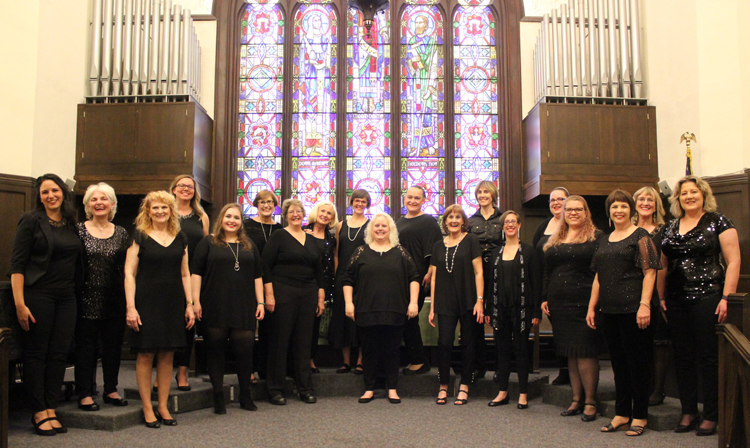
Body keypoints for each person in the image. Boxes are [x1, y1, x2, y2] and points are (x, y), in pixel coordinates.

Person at [660, 175, 740, 436]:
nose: (689, 197)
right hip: (675, 299)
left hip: (709, 297)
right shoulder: (670, 227)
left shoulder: (718, 221)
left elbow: (733, 261)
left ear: (703, 194)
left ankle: (712, 414)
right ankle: (688, 411)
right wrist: (660, 297)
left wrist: (727, 297)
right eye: (684, 193)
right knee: (682, 357)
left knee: (708, 357)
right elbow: (661, 265)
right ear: (678, 199)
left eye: (694, 192)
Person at [10, 174, 83, 436]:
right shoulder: (31, 221)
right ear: (39, 196)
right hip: (38, 295)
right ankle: (38, 410)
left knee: (59, 353)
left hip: (66, 297)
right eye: (44, 192)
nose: (50, 195)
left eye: (54, 190)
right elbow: (17, 265)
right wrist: (20, 304)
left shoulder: (71, 223)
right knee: (37, 353)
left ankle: (51, 407)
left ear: (63, 193)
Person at [587, 190, 660, 437]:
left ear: (632, 210)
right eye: (614, 207)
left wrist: (644, 304)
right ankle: (621, 414)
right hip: (609, 311)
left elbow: (650, 272)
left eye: (623, 206)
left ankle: (640, 416)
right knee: (618, 364)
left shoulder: (642, 236)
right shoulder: (604, 240)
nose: (619, 210)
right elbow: (598, 276)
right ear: (609, 212)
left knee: (638, 364)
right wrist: (591, 307)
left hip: (634, 310)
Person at [125, 191, 196, 428]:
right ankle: (147, 407)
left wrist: (189, 305)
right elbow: (129, 273)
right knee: (146, 354)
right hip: (146, 302)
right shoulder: (140, 236)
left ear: (171, 211)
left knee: (167, 355)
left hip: (173, 302)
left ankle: (163, 405)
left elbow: (185, 273)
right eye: (155, 208)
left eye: (164, 208)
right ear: (148, 211)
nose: (160, 212)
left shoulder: (180, 237)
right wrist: (131, 307)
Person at [191, 203, 265, 414]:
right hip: (214, 303)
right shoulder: (208, 243)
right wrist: (195, 301)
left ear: (242, 222)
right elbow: (196, 273)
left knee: (245, 350)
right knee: (216, 351)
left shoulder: (249, 244)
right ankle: (218, 396)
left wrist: (260, 302)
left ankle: (245, 395)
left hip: (244, 305)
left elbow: (257, 275)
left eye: (237, 217)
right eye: (228, 216)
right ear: (222, 218)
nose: (232, 220)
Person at [343, 213, 420, 404]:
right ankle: (369, 389)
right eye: (376, 226)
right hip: (366, 310)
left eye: (384, 226)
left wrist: (413, 302)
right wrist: (348, 303)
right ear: (371, 229)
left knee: (392, 351)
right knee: (369, 351)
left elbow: (414, 278)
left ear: (390, 229)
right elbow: (347, 279)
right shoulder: (360, 252)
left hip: (395, 310)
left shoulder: (400, 251)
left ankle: (392, 389)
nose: (380, 229)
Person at [541, 195, 602, 422]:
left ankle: (590, 401)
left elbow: (599, 273)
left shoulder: (596, 237)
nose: (573, 213)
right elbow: (548, 271)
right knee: (570, 352)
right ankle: (576, 399)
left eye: (578, 209)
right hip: (559, 303)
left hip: (584, 303)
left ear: (586, 212)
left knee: (585, 351)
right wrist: (544, 296)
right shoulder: (558, 236)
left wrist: (594, 305)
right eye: (569, 209)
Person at [262, 199, 325, 405]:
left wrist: (320, 298)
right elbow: (265, 266)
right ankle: (275, 388)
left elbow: (319, 272)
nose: (296, 214)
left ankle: (304, 387)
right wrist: (269, 295)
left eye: (299, 211)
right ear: (286, 215)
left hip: (308, 293)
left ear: (304, 214)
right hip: (283, 291)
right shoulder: (279, 236)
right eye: (291, 212)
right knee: (281, 340)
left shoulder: (313, 240)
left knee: (303, 341)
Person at [75, 183, 130, 412]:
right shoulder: (77, 230)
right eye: (94, 199)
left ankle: (111, 389)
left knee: (112, 347)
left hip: (114, 298)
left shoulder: (121, 233)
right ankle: (85, 393)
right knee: (86, 348)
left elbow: (127, 269)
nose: (99, 203)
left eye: (104, 199)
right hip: (84, 297)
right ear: (87, 204)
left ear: (112, 204)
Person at [428, 205, 484, 405]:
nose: (453, 220)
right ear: (445, 222)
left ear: (463, 221)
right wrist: (433, 307)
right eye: (450, 217)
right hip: (444, 300)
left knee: (468, 343)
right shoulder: (437, 246)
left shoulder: (471, 240)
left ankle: (464, 386)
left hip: (468, 298)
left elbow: (479, 272)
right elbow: (433, 279)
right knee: (444, 343)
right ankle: (443, 385)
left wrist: (479, 300)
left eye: (457, 217)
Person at [486, 211, 541, 409]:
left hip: (523, 309)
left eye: (513, 222)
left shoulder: (529, 251)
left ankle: (523, 393)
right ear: (503, 227)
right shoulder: (495, 253)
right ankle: (502, 392)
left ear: (519, 225)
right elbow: (489, 283)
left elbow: (536, 283)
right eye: (506, 222)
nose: (509, 225)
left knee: (521, 351)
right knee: (502, 351)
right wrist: (488, 309)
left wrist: (536, 312)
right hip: (499, 308)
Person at [167, 175, 209, 392]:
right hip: (167, 275)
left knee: (187, 325)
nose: (186, 189)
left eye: (190, 187)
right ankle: (162, 374)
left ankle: (182, 371)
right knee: (166, 325)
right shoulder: (165, 212)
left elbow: (205, 249)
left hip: (191, 276)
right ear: (173, 189)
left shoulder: (200, 216)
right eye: (181, 186)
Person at [397, 186, 443, 376]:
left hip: (418, 276)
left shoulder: (428, 221)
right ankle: (413, 358)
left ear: (424, 200)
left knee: (410, 318)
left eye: (417, 198)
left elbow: (436, 249)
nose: (413, 201)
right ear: (404, 198)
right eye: (410, 197)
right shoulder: (399, 221)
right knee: (403, 318)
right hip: (400, 277)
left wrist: (430, 273)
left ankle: (419, 360)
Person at [632, 186, 669, 406]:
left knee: (658, 342)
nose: (646, 203)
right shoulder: (626, 228)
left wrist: (661, 297)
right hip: (629, 292)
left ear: (656, 205)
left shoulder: (664, 230)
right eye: (641, 199)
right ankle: (639, 386)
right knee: (636, 344)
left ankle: (658, 390)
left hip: (656, 293)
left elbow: (663, 267)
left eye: (651, 200)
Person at [533, 186, 571, 386]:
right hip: (549, 287)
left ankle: (576, 373)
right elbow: (535, 259)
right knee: (559, 332)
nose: (556, 203)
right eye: (552, 200)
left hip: (571, 288)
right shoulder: (543, 227)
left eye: (561, 199)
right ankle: (564, 370)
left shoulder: (574, 225)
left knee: (572, 332)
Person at [244, 190, 283, 382]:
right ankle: (248, 369)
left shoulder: (280, 230)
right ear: (256, 204)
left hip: (274, 283)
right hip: (249, 280)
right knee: (249, 329)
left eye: (270, 202)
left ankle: (265, 369)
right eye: (262, 202)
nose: (266, 205)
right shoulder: (246, 226)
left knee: (269, 329)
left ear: (275, 204)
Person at [330, 190, 370, 374]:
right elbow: (336, 253)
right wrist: (337, 275)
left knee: (361, 317)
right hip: (342, 278)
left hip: (363, 278)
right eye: (357, 201)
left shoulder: (370, 226)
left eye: (363, 201)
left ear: (367, 204)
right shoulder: (340, 226)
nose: (359, 204)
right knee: (342, 318)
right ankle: (346, 361)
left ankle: (361, 360)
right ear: (351, 202)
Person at [467, 181, 503, 379]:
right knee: (477, 319)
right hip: (477, 273)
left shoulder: (503, 218)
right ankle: (479, 365)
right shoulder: (471, 221)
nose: (483, 195)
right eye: (479, 192)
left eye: (486, 192)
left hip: (499, 271)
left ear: (493, 194)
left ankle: (500, 366)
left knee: (498, 318)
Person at [303, 200, 338, 372]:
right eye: (322, 211)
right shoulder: (301, 232)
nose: (325, 215)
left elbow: (331, 264)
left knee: (314, 325)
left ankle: (310, 359)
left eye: (329, 213)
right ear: (316, 212)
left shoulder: (331, 239)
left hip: (321, 286)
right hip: (301, 284)